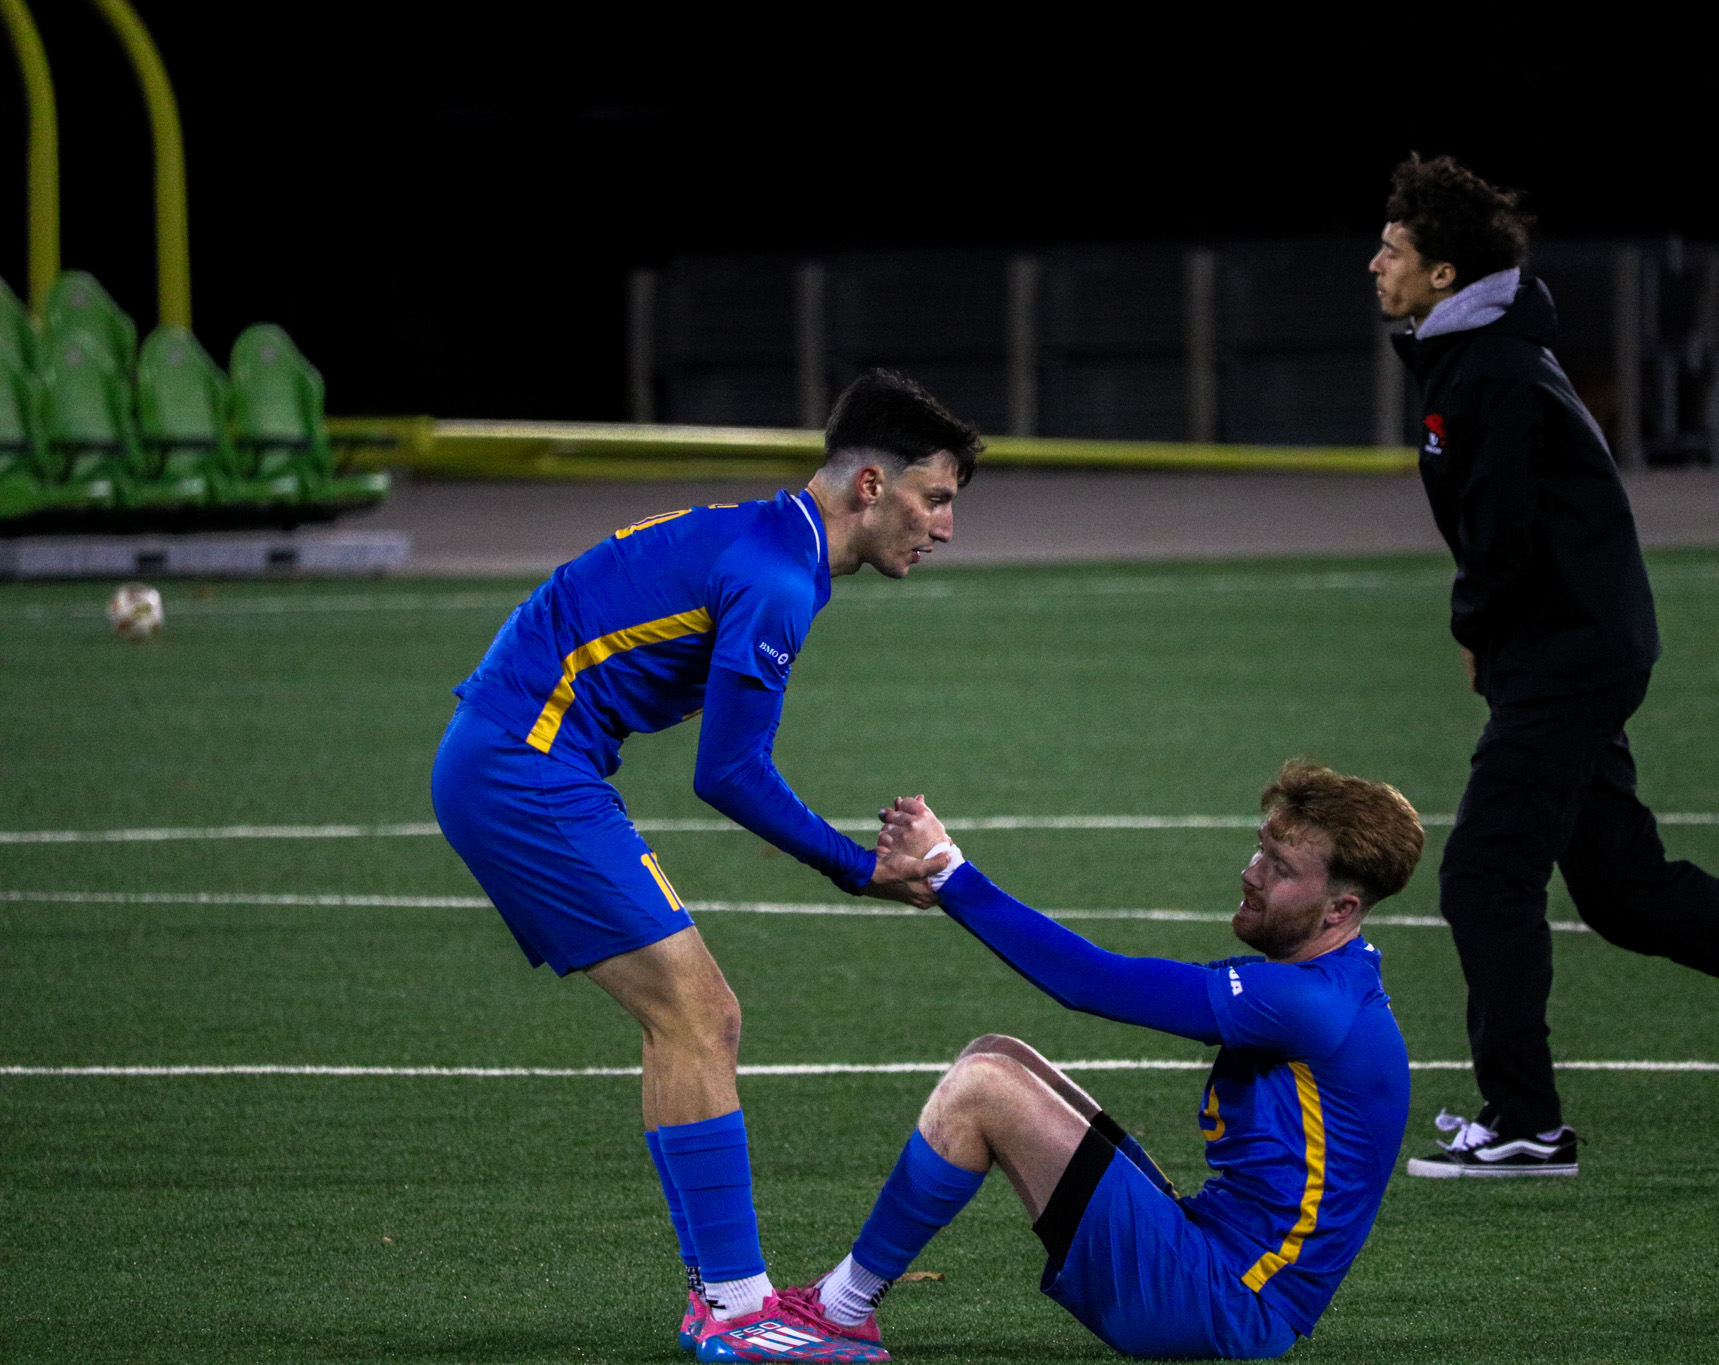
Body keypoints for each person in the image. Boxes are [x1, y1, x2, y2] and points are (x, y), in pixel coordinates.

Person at [430, 370, 979, 1362]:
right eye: (932, 498)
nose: (942, 526)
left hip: (525, 756)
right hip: (523, 766)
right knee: (695, 1016)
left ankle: (725, 1300)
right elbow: (727, 775)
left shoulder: (775, 546)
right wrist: (861, 869)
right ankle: (733, 1311)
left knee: (697, 1016)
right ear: (867, 485)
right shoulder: (775, 576)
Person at [1369, 154, 1719, 1178]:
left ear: (1441, 275)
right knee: (1619, 887)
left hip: (1566, 651)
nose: (1373, 261)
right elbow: (1504, 531)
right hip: (1564, 646)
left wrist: (1476, 622)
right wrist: (1493, 630)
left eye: (1392, 248)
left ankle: (1522, 1122)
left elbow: (1505, 538)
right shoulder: (1471, 355)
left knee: (1482, 878)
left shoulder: (1493, 371)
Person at [750, 762, 1423, 1363]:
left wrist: (949, 870)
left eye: (1280, 868)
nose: (1251, 872)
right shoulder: (1331, 981)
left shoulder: (1310, 1003)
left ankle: (837, 1312)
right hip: (1215, 1260)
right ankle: (839, 1305)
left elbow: (1093, 982)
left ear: (1342, 907)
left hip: (1226, 1306)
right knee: (995, 1054)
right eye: (1261, 849)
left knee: (984, 1089)